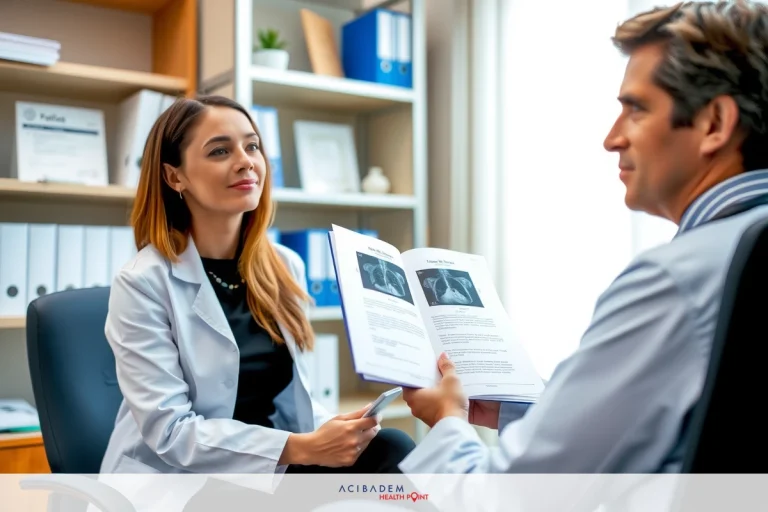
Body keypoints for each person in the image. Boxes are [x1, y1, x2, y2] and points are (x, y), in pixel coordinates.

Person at [398, 0, 768, 475]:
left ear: (714, 124)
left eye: (635, 109)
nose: (612, 139)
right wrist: (520, 410)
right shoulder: (737, 251)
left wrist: (447, 420)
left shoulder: (674, 282)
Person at [99, 94, 415, 481]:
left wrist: (336, 430)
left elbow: (292, 399)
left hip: (268, 464)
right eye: (219, 151)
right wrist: (303, 448)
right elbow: (172, 433)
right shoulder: (143, 283)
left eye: (252, 146)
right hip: (182, 479)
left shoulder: (284, 266)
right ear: (174, 176)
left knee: (392, 448)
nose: (246, 160)